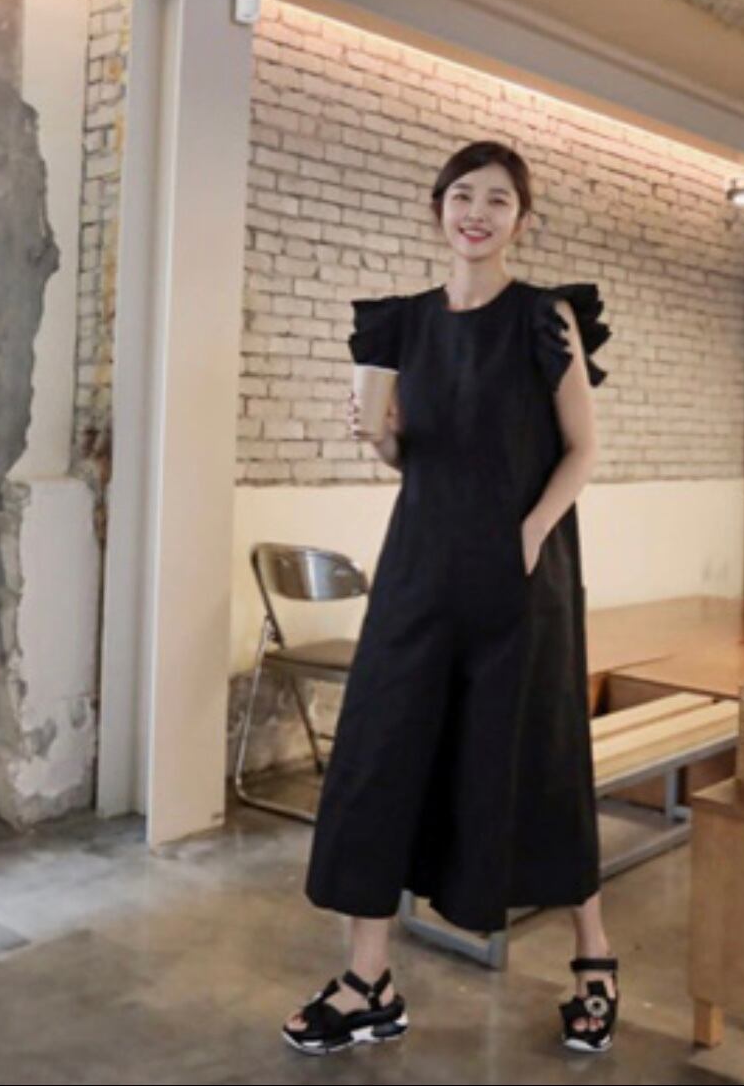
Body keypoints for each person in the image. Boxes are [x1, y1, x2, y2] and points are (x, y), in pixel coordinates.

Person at [281, 140, 617, 1056]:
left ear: (521, 220)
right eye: (462, 195)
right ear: (437, 209)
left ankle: (592, 955)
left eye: (498, 199)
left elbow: (582, 447)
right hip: (419, 568)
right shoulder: (402, 326)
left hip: (521, 574)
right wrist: (381, 441)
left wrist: (530, 531)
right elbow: (411, 456)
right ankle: (368, 980)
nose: (477, 212)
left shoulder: (544, 318)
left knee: (537, 755)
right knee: (380, 754)